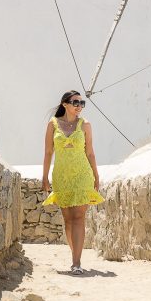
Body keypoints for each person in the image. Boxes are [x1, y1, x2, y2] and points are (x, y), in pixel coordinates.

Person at [41, 90, 104, 275]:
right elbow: (48, 152)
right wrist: (44, 176)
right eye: (75, 102)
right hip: (61, 176)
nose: (79, 106)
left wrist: (96, 175)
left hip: (82, 175)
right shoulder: (52, 125)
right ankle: (74, 254)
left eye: (81, 103)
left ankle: (76, 262)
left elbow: (90, 152)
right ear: (65, 104)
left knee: (78, 217)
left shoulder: (85, 125)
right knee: (68, 219)